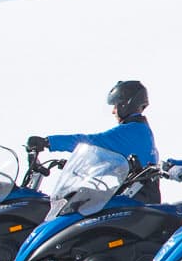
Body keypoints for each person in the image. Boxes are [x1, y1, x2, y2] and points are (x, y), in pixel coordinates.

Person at [27, 80, 161, 203]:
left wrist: (48, 142)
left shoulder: (132, 131)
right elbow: (111, 162)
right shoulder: (139, 130)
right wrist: (76, 165)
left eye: (115, 105)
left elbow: (90, 142)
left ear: (125, 104)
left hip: (136, 200)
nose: (113, 111)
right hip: (137, 198)